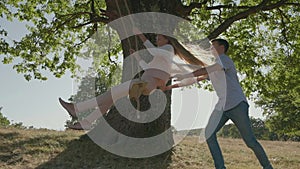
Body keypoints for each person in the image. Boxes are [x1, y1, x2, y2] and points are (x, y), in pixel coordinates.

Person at [59, 27, 206, 130]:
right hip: (145, 84)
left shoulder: (168, 50)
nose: (157, 40)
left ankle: (77, 109)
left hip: (145, 84)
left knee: (111, 93)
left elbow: (153, 51)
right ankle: (86, 122)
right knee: (110, 99)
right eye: (156, 38)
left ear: (167, 40)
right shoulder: (162, 57)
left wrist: (141, 35)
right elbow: (147, 67)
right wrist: (137, 57)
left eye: (159, 38)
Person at [173, 39, 273, 169]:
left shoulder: (224, 60)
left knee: (250, 141)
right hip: (222, 106)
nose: (210, 49)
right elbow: (198, 77)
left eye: (212, 46)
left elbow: (205, 70)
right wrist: (172, 85)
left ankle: (268, 167)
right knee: (209, 134)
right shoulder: (215, 65)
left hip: (237, 104)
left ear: (221, 48)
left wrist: (186, 75)